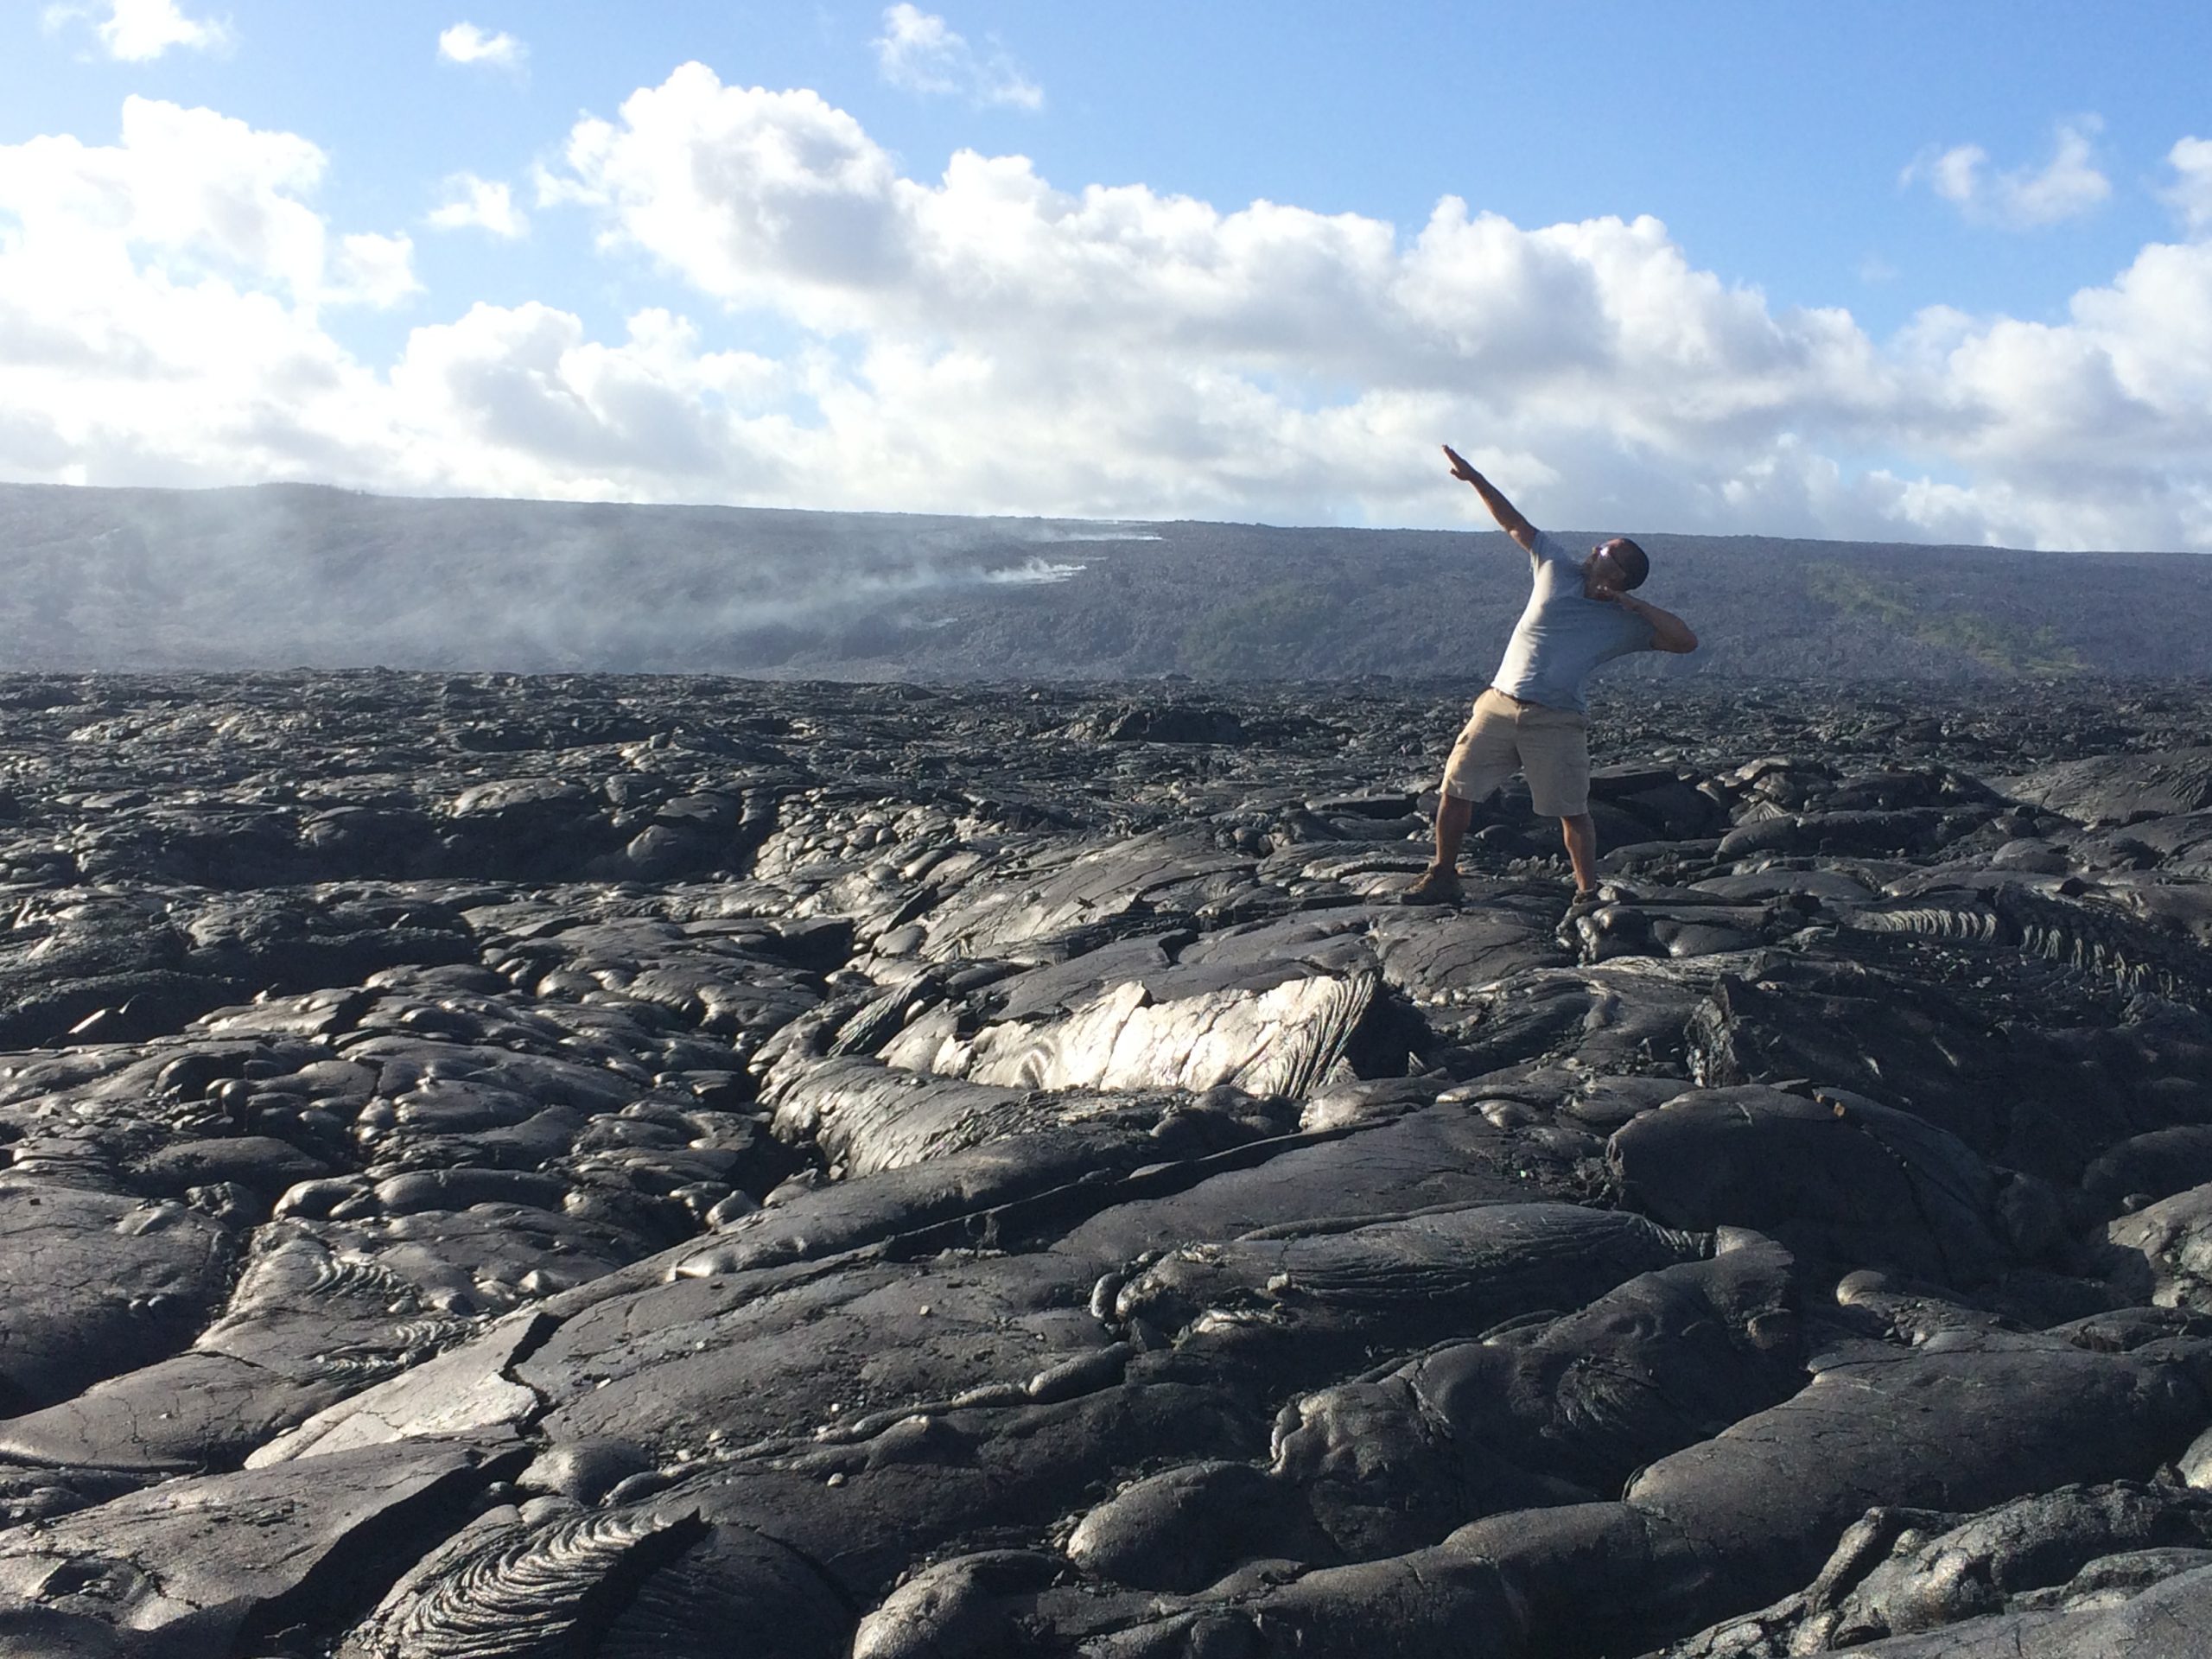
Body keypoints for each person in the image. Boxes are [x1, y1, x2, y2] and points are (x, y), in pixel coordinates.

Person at [1403, 444, 1699, 908]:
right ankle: (1442, 873)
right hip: (1500, 703)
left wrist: (1636, 607)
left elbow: (1686, 642)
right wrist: (1476, 479)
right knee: (1456, 788)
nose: (1594, 551)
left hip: (1558, 719)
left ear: (1619, 574)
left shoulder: (1625, 623)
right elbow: (1514, 522)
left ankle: (1587, 892)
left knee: (1572, 811)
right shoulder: (1555, 567)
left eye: (1605, 552)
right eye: (1601, 546)